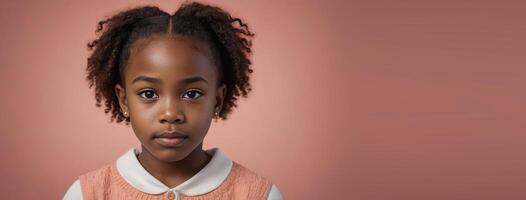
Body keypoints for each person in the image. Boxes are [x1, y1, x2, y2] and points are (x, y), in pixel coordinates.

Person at [63, 1, 282, 199]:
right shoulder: (86, 194)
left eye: (192, 94)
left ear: (217, 100)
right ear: (123, 100)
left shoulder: (259, 195)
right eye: (149, 94)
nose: (170, 114)